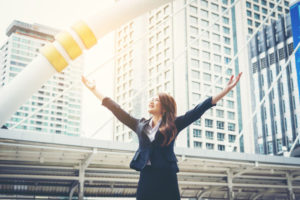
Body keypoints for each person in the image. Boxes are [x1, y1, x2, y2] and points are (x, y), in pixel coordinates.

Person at [81, 72, 242, 200]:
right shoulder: (140, 125)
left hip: (167, 175)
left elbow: (198, 110)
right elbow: (117, 110)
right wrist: (94, 89)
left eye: (156, 100)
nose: (151, 101)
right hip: (147, 174)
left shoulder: (174, 124)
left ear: (164, 108)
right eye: (151, 99)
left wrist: (225, 91)